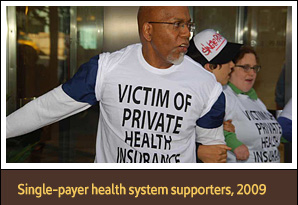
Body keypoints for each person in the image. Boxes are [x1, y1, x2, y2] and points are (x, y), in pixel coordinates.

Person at [7, 6, 230, 163]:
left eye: (188, 25)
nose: (186, 34)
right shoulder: (106, 69)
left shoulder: (206, 85)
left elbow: (212, 150)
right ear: (148, 30)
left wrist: (207, 153)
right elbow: (45, 109)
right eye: (177, 25)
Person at [187, 29, 248, 162]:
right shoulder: (215, 97)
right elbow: (215, 155)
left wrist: (221, 128)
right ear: (210, 67)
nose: (232, 65)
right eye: (226, 60)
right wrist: (198, 150)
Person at [223, 45, 282, 163]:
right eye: (245, 67)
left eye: (254, 68)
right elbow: (210, 128)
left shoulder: (256, 100)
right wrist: (234, 143)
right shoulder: (224, 96)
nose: (252, 73)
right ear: (231, 68)